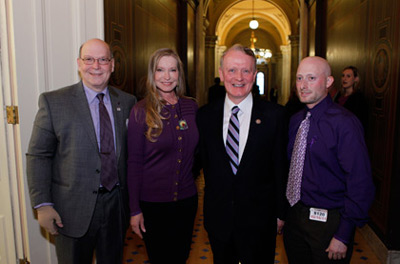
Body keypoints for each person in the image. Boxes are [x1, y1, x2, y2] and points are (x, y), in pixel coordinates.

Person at [26, 38, 137, 263]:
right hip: (71, 209)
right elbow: (38, 155)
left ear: (112, 65)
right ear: (79, 63)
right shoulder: (54, 102)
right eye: (88, 59)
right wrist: (43, 204)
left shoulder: (127, 102)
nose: (95, 66)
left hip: (116, 206)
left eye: (103, 60)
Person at [196, 44, 288, 264]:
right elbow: (201, 165)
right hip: (219, 220)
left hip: (261, 221)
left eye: (246, 71)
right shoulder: (205, 116)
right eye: (232, 70)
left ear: (254, 75)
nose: (239, 77)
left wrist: (281, 213)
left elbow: (280, 168)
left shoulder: (276, 116)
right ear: (221, 73)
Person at [283, 56, 375, 264]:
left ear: (328, 82)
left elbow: (360, 181)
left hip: (329, 224)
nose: (303, 86)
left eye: (311, 78)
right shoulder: (296, 120)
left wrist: (343, 234)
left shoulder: (345, 123)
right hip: (295, 219)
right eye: (299, 78)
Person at [127, 48, 198, 264]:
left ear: (179, 74)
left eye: (172, 70)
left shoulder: (191, 106)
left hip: (187, 201)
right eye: (160, 70)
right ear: (152, 74)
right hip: (153, 206)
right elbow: (134, 162)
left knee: (181, 256)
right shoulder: (140, 111)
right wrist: (134, 209)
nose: (166, 77)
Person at [334, 66, 368, 130]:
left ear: (356, 79)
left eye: (348, 76)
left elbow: (359, 120)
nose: (344, 79)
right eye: (343, 76)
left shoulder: (358, 98)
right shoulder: (339, 94)